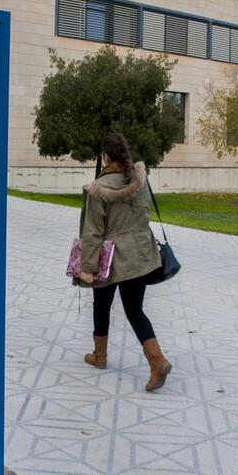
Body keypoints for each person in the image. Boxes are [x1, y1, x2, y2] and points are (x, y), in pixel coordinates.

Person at [75, 133, 172, 392]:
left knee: (101, 302)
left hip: (111, 258)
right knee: (134, 309)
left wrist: (87, 267)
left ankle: (100, 355)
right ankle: (157, 360)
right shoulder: (140, 181)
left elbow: (93, 231)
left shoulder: (98, 189)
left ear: (105, 157)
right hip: (141, 255)